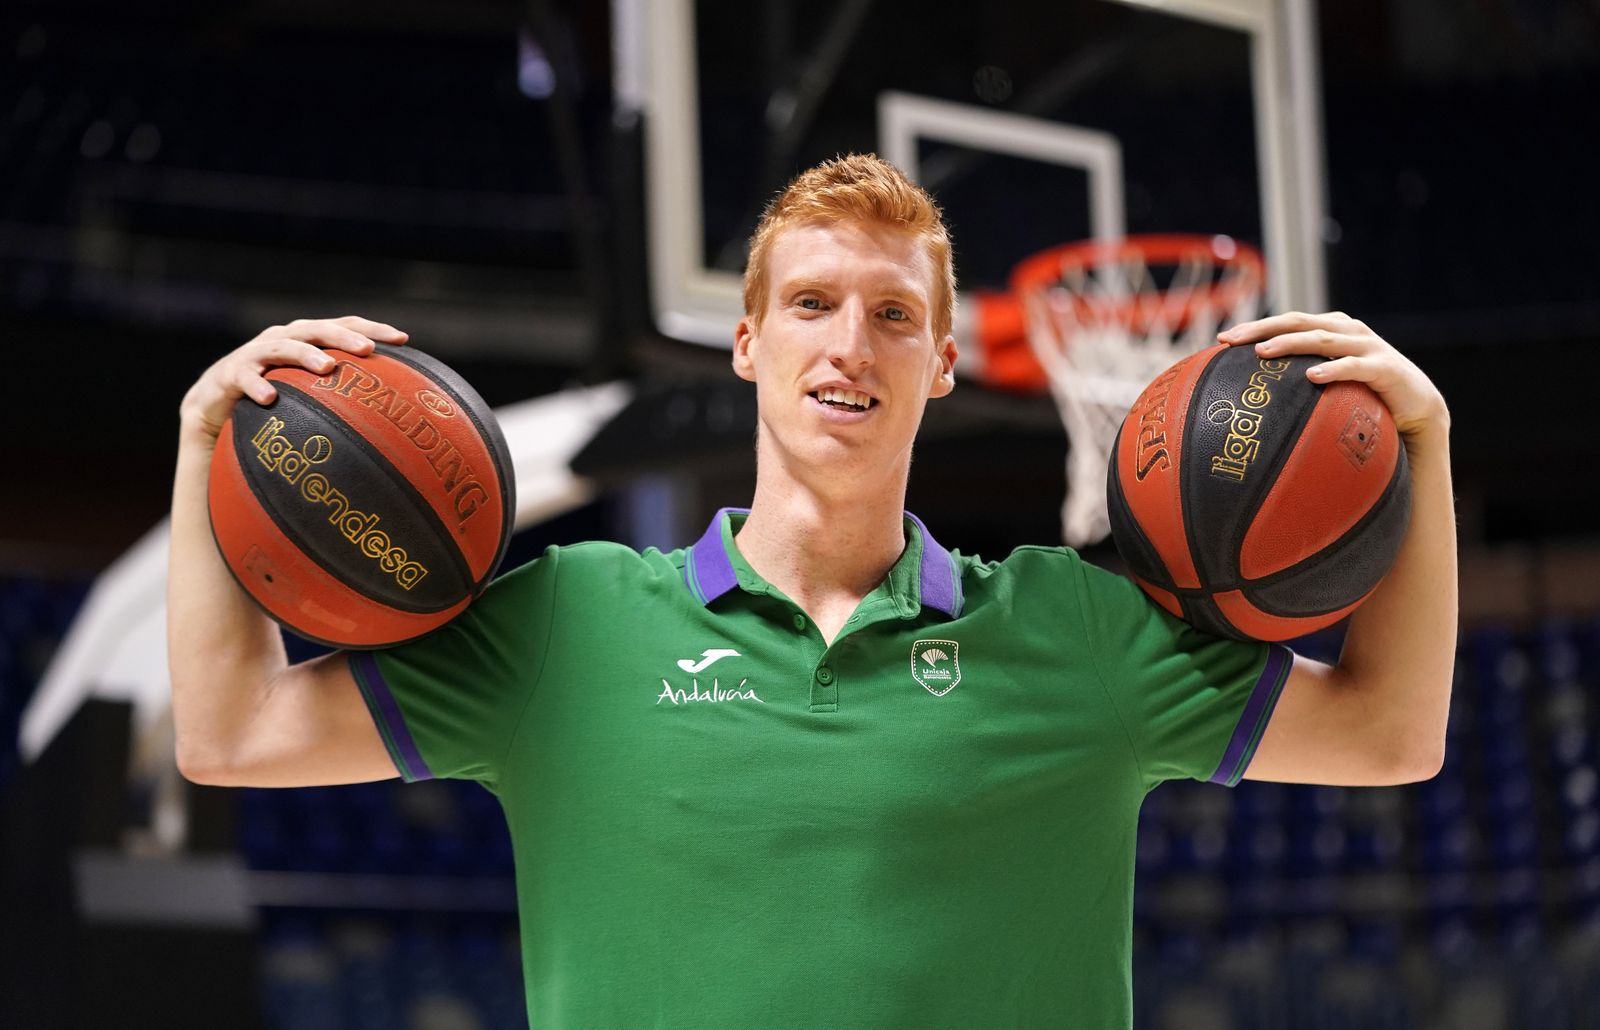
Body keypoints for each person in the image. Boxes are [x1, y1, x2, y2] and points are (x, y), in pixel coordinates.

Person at [169, 154, 1456, 1027]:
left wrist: (1427, 444)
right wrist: (201, 440)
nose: (850, 344)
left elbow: (1390, 731)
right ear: (747, 342)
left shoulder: (1079, 626)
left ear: (945, 362)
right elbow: (229, 736)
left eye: (894, 315)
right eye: (811, 303)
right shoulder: (567, 623)